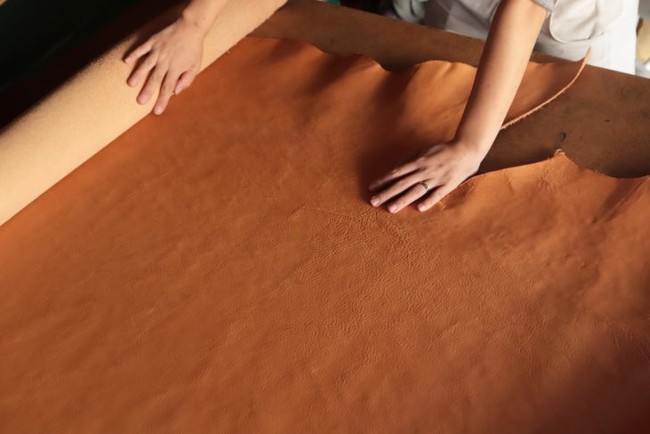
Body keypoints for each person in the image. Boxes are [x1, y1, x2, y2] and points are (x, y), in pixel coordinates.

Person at [125, 0, 639, 213]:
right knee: (439, 58)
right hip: (456, 7)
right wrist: (194, 24)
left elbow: (523, 8)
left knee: (595, 115)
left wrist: (469, 145)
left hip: (567, 27)